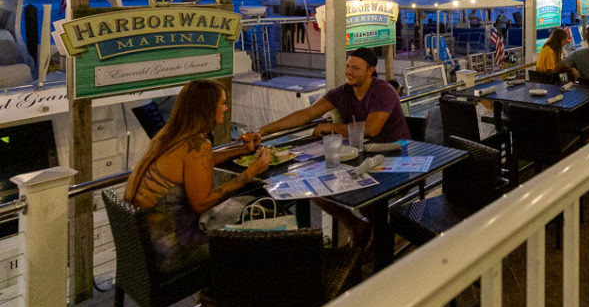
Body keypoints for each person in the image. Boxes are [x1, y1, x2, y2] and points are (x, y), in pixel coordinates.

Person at [124, 80, 269, 274]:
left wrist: (240, 150)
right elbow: (201, 204)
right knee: (261, 222)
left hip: (149, 246)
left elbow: (200, 161)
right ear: (207, 108)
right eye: (222, 103)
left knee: (245, 210)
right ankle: (230, 295)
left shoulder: (170, 136)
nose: (226, 108)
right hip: (174, 251)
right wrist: (250, 173)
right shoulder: (198, 145)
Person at [258, 47, 410, 143]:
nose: (348, 72)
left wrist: (332, 127)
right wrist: (263, 130)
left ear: (370, 70)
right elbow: (307, 114)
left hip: (395, 150)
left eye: (355, 68)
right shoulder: (342, 92)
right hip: (363, 150)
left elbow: (371, 129)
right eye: (347, 66)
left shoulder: (383, 91)